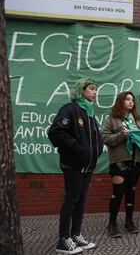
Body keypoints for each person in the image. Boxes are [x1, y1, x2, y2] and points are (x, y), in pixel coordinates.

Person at [48, 78, 104, 254]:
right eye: (92, 89)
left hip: (87, 166)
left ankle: (76, 235)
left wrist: (97, 149)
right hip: (73, 164)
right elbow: (56, 132)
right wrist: (78, 149)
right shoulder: (70, 109)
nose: (95, 92)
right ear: (81, 91)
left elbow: (95, 139)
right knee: (71, 200)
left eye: (96, 89)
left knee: (80, 201)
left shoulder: (89, 112)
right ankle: (63, 240)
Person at [102, 91, 140, 237]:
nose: (131, 102)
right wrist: (122, 135)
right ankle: (112, 224)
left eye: (132, 100)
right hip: (119, 162)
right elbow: (105, 138)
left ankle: (129, 222)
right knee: (118, 192)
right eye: (127, 99)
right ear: (121, 101)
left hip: (136, 161)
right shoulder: (112, 120)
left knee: (130, 192)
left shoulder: (138, 121)